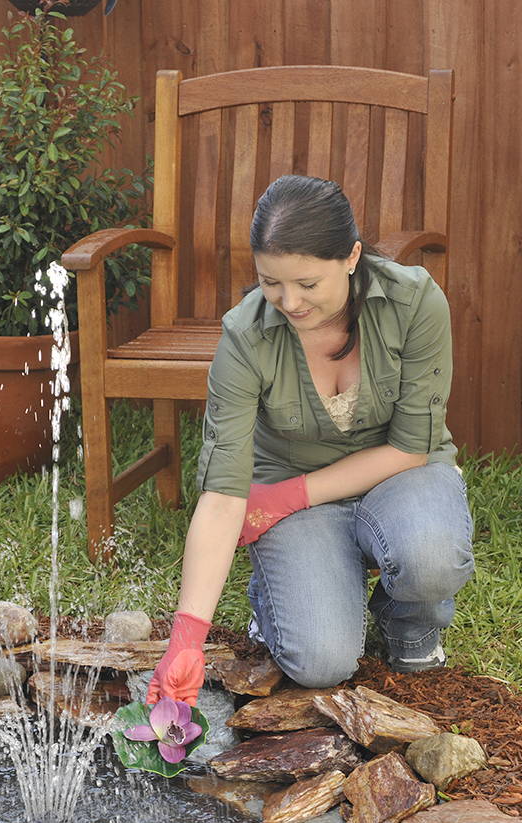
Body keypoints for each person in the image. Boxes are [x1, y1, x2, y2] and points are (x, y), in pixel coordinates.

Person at [146, 175, 474, 708]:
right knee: (320, 664)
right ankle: (281, 594)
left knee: (430, 554)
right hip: (291, 484)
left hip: (398, 473)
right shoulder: (245, 337)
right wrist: (186, 641)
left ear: (351, 257)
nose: (288, 301)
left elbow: (412, 447)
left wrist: (282, 500)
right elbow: (226, 494)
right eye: (270, 282)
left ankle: (410, 628)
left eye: (307, 283)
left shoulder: (415, 302)